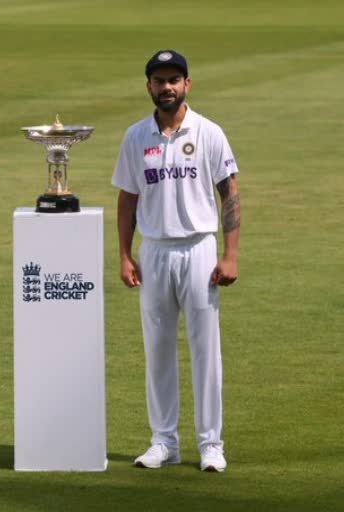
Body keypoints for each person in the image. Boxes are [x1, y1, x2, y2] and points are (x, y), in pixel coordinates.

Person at [112, 49, 240, 472]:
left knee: (206, 349)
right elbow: (127, 199)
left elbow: (230, 193)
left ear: (187, 84)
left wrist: (230, 254)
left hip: (200, 248)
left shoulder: (208, 132)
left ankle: (211, 444)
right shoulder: (136, 137)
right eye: (158, 80)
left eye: (174, 80)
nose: (166, 87)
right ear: (148, 86)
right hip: (156, 250)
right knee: (158, 348)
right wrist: (124, 255)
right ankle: (164, 441)